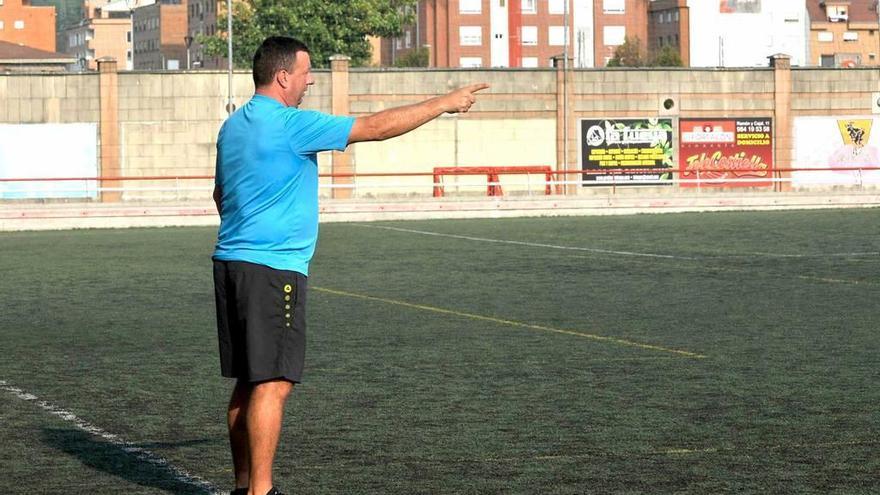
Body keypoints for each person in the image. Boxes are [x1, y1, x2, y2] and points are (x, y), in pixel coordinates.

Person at [211, 36, 488, 495]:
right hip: (273, 269)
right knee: (274, 383)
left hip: (231, 263)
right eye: (305, 72)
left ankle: (244, 486)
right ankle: (262, 492)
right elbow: (376, 128)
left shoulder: (234, 126)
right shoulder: (291, 124)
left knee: (248, 381)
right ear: (283, 77)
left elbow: (220, 196)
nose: (311, 79)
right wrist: (446, 102)